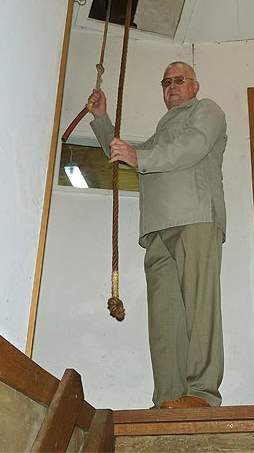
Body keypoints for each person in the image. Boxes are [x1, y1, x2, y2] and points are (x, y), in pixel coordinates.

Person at [88, 61, 227, 409]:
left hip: (195, 218)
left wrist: (140, 155)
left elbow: (192, 146)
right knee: (164, 321)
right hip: (156, 231)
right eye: (165, 82)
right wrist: (102, 119)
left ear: (195, 86)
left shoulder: (206, 110)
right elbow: (124, 154)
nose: (171, 86)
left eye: (179, 80)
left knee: (199, 308)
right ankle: (169, 397)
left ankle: (202, 394)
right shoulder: (160, 131)